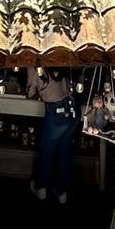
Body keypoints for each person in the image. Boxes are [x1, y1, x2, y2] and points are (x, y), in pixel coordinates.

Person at [28, 66, 80, 204]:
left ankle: (42, 188)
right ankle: (62, 191)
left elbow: (30, 92)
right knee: (64, 151)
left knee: (47, 152)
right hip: (73, 108)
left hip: (56, 113)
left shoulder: (34, 61)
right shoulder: (59, 55)